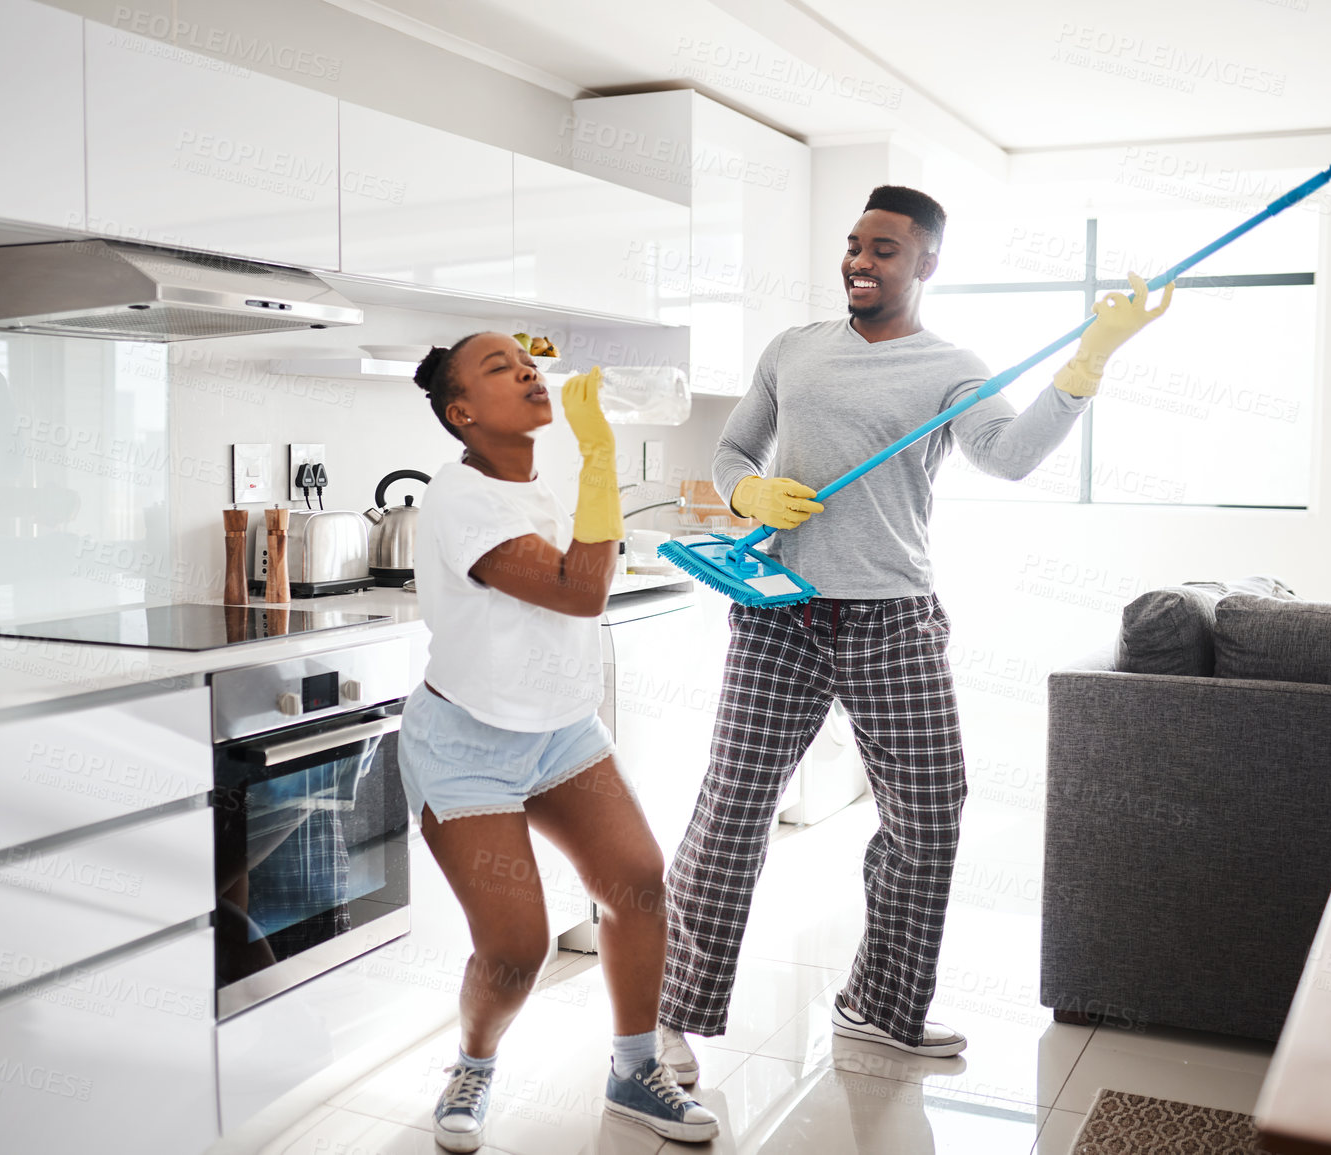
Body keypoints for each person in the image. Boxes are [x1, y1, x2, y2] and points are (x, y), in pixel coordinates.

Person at [656, 186, 1172, 1078]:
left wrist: (1088, 360)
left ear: (926, 262)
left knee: (929, 818)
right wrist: (746, 493)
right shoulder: (793, 350)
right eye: (853, 245)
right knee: (732, 814)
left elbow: (1007, 456)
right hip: (780, 609)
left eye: (884, 249)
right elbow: (733, 453)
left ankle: (878, 1005)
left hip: (894, 615)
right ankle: (673, 1012)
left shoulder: (950, 366)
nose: (859, 261)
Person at [402, 333, 720, 1151]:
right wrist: (603, 455)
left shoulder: (540, 478)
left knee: (639, 884)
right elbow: (581, 592)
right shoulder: (458, 495)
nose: (526, 372)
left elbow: (589, 561)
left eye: (527, 360)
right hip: (467, 745)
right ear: (462, 412)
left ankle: (633, 1068)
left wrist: (599, 465)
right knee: (516, 949)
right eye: (499, 367)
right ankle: (472, 1063)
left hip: (562, 733)